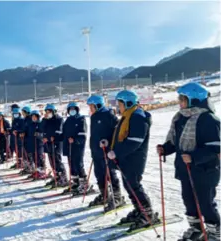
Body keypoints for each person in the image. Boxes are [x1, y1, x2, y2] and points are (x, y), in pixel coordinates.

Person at [157, 82, 220, 241]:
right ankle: (196, 228)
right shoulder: (180, 118)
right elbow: (175, 143)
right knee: (189, 200)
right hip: (186, 169)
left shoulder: (209, 120)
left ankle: (215, 232)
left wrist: (194, 157)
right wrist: (165, 149)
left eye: (183, 99)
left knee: (206, 202)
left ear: (194, 100)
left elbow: (216, 148)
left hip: (205, 170)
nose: (180, 102)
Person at [107, 90, 159, 230]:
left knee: (134, 185)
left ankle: (148, 214)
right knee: (128, 185)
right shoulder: (127, 116)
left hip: (135, 158)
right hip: (126, 158)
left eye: (120, 103)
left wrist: (116, 152)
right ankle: (139, 210)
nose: (118, 106)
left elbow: (135, 141)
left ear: (128, 103)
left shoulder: (137, 116)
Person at [87, 95, 125, 211]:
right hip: (97, 151)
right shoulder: (94, 116)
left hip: (106, 151)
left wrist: (108, 141)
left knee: (110, 174)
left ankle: (117, 197)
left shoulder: (109, 114)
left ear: (98, 105)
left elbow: (116, 131)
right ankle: (105, 195)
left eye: (91, 106)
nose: (90, 108)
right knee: (99, 175)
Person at [62, 102, 93, 195]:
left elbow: (83, 134)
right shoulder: (67, 120)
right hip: (68, 146)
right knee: (72, 165)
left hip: (77, 146)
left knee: (78, 164)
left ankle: (85, 184)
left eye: (73, 109)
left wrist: (75, 140)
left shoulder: (81, 119)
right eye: (70, 110)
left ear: (77, 110)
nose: (72, 111)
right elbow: (64, 133)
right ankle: (76, 183)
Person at [42, 104, 68, 188]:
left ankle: (63, 178)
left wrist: (49, 138)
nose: (47, 113)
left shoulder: (59, 119)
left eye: (49, 111)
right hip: (48, 143)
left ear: (53, 111)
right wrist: (44, 119)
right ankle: (56, 176)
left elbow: (59, 132)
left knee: (57, 159)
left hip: (57, 142)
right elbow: (41, 128)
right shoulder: (47, 120)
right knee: (51, 160)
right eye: (46, 111)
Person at [25, 110, 47, 179]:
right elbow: (27, 132)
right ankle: (37, 171)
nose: (34, 118)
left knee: (39, 157)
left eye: (35, 117)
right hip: (32, 144)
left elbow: (44, 133)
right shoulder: (30, 125)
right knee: (34, 158)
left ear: (38, 117)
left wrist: (38, 134)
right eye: (32, 117)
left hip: (39, 144)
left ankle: (42, 172)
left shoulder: (40, 124)